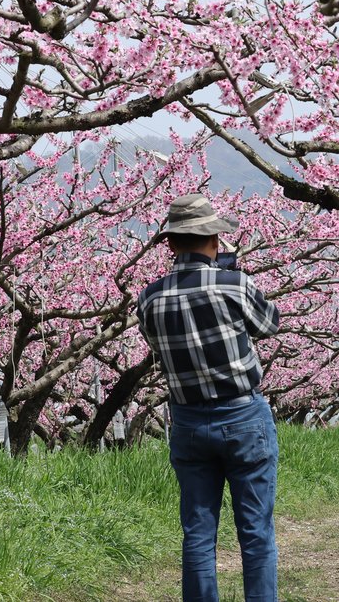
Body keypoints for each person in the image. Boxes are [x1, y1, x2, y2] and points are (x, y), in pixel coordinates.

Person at [137, 194, 281, 602]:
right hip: (242, 417)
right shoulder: (234, 285)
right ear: (216, 239)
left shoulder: (149, 298)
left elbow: (155, 347)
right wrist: (231, 270)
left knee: (198, 534)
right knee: (255, 532)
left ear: (170, 244)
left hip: (187, 422)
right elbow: (269, 324)